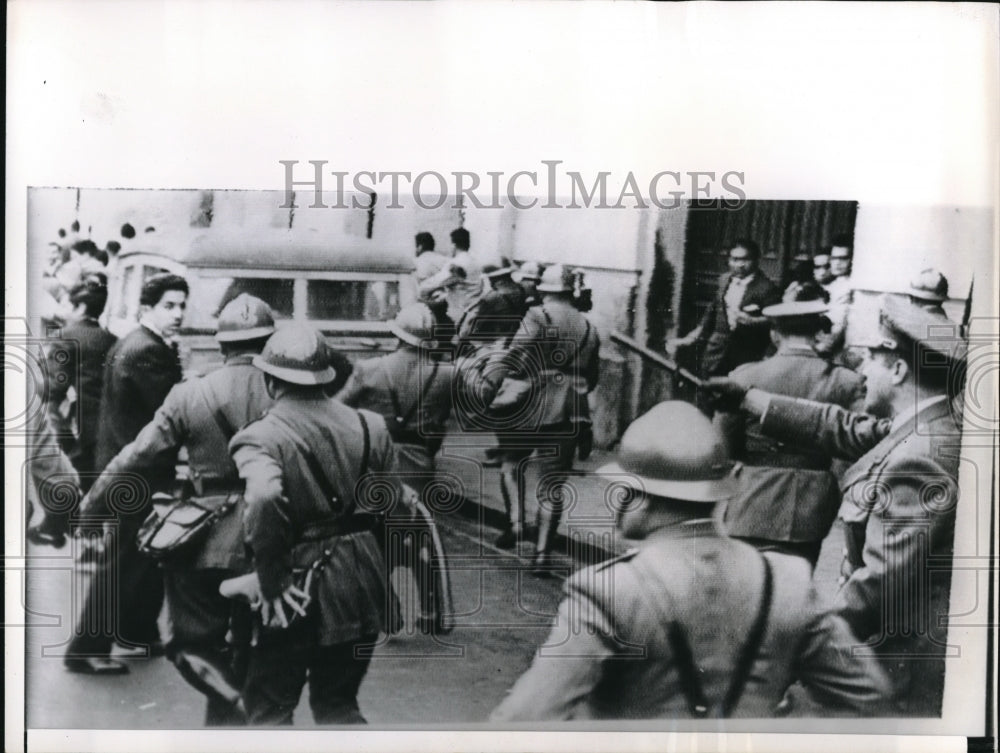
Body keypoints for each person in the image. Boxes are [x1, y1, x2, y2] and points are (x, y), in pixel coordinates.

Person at [491, 401, 889, 720]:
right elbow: (870, 699)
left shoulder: (606, 590)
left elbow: (527, 718)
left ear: (634, 496)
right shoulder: (789, 580)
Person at [706, 294, 966, 716]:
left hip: (901, 659)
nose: (861, 369)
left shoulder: (922, 457)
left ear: (898, 370)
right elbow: (843, 426)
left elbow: (878, 583)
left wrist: (799, 652)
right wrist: (749, 399)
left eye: (873, 359)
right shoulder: (923, 427)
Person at [75, 294, 276, 722]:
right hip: (273, 529)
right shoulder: (288, 391)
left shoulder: (189, 394)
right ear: (269, 340)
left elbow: (136, 454)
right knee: (253, 642)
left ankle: (236, 712)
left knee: (194, 643)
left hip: (209, 531)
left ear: (222, 344)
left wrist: (92, 505)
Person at [229, 324, 400, 725]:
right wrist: (376, 569)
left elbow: (265, 497)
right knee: (339, 706)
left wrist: (273, 582)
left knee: (270, 707)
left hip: (296, 585)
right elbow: (395, 510)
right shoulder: (370, 425)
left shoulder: (260, 437)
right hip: (360, 580)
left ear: (269, 381)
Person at [65, 272, 189, 675]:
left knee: (143, 555)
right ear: (147, 309)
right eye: (169, 306)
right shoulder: (148, 352)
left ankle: (137, 632)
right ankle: (86, 648)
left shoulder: (134, 342)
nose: (179, 313)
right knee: (123, 561)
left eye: (182, 305)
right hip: (137, 473)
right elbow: (171, 411)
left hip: (124, 467)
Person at [714, 282, 865, 567]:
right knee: (795, 591)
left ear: (774, 334)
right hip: (812, 504)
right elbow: (853, 447)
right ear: (819, 332)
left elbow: (722, 446)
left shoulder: (745, 377)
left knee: (748, 589)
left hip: (752, 497)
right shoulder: (846, 381)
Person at [338, 303, 455, 634]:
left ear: (396, 335)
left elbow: (338, 408)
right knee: (421, 536)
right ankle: (432, 612)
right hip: (421, 464)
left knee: (375, 538)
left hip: (376, 462)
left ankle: (388, 610)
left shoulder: (369, 369)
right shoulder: (446, 375)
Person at [490, 264, 600, 570]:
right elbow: (592, 376)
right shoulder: (590, 327)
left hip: (530, 402)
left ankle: (515, 524)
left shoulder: (538, 315)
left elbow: (515, 352)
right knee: (552, 485)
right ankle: (542, 555)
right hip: (569, 409)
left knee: (511, 462)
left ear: (544, 290)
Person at [28, 277, 118, 547]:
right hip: (103, 423)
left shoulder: (67, 336)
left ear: (79, 307)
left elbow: (55, 385)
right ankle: (89, 531)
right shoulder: (110, 338)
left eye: (68, 303)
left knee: (58, 473)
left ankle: (56, 527)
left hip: (72, 423)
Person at [668, 239, 780, 377]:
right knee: (706, 388)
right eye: (734, 259)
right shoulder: (723, 280)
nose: (739, 265)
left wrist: (752, 321)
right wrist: (691, 337)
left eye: (745, 260)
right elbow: (712, 312)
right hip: (715, 353)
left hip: (746, 356)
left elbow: (776, 321)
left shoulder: (766, 289)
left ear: (756, 260)